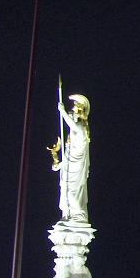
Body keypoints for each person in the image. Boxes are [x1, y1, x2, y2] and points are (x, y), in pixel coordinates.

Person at [51, 93, 91, 223]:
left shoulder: (81, 129)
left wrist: (62, 112)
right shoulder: (72, 133)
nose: (72, 112)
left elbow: (72, 125)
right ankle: (68, 214)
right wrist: (59, 164)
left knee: (73, 192)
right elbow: (68, 156)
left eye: (74, 108)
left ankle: (77, 216)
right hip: (70, 166)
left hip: (76, 168)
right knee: (66, 191)